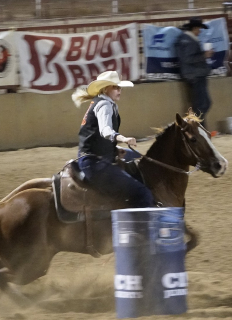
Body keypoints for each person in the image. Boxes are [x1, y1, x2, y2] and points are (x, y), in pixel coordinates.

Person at [71, 71, 156, 208]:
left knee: (136, 157)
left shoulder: (103, 103)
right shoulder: (104, 105)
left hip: (92, 159)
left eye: (120, 88)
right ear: (105, 89)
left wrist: (114, 150)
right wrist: (123, 138)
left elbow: (95, 136)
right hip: (95, 164)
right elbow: (105, 131)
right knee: (142, 193)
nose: (119, 90)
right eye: (116, 87)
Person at [175, 17, 213, 127]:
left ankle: (199, 127)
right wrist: (204, 56)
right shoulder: (189, 41)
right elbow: (187, 59)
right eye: (199, 29)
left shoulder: (185, 39)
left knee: (201, 104)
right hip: (196, 75)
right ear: (195, 28)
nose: (200, 31)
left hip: (193, 75)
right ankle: (198, 128)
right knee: (202, 104)